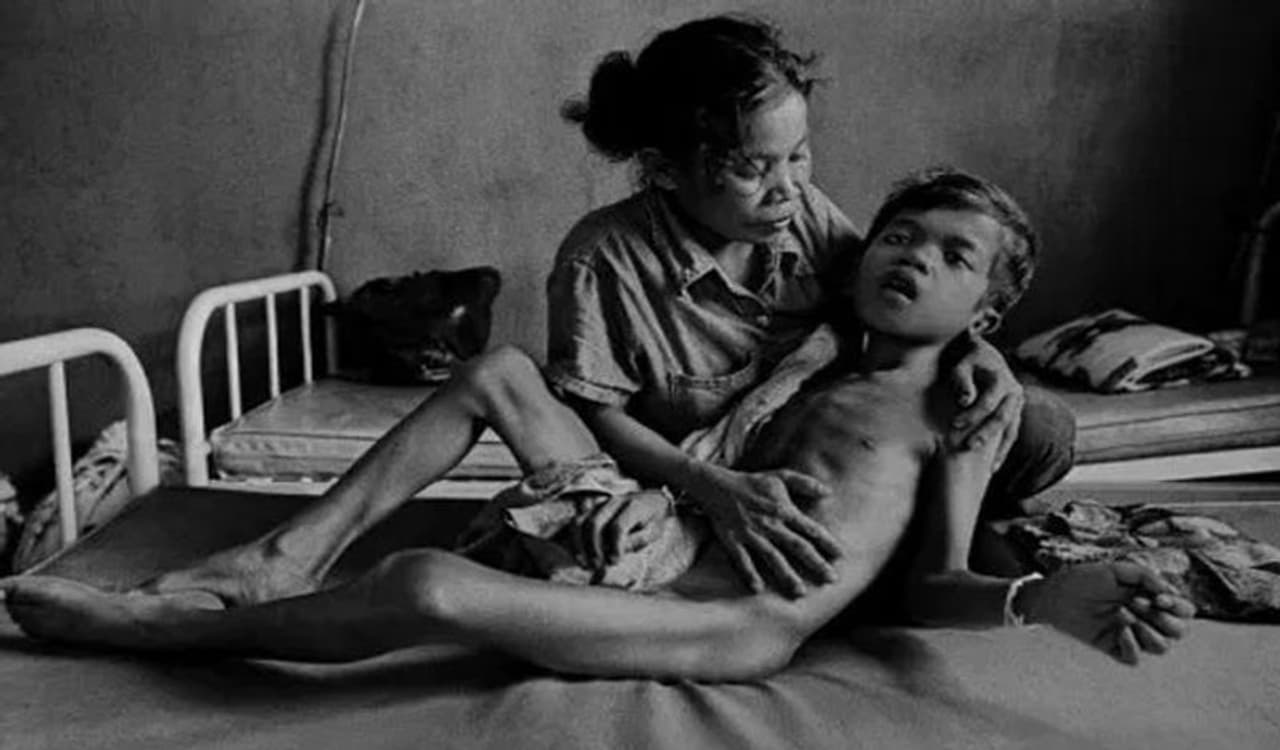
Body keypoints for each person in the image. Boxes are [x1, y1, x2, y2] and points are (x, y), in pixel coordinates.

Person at [1, 170, 1192, 681]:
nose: (911, 259)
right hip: (661, 527)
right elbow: (623, 406)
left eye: (952, 259)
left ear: (986, 310)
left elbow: (932, 578)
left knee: (425, 585)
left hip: (722, 616)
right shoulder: (819, 341)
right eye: (898, 236)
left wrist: (1034, 599)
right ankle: (276, 556)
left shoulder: (961, 410)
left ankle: (161, 638)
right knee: (501, 370)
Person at [546, 14, 1076, 596]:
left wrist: (980, 351)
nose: (787, 188)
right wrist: (709, 487)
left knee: (1035, 423)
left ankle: (925, 545)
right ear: (665, 170)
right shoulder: (602, 259)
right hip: (692, 473)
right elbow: (596, 418)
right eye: (751, 169)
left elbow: (897, 297)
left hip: (815, 449)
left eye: (797, 155)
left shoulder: (800, 211)